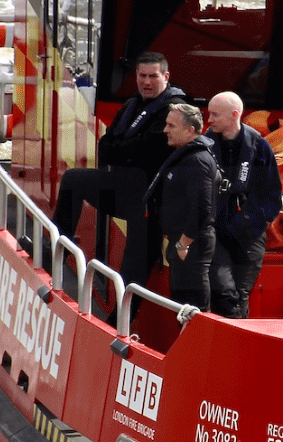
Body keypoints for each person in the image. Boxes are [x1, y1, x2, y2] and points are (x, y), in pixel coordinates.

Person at [51, 52, 185, 292]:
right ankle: (58, 248)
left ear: (166, 77)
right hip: (123, 186)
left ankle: (121, 314)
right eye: (142, 76)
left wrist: (122, 148)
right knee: (73, 179)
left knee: (135, 265)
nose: (146, 82)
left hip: (152, 198)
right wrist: (125, 149)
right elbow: (105, 147)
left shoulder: (174, 110)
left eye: (153, 76)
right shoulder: (131, 105)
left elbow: (149, 151)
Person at [205, 91, 282, 318]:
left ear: (234, 115)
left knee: (240, 293)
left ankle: (235, 335)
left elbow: (272, 193)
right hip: (215, 232)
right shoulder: (205, 146)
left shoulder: (259, 147)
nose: (209, 120)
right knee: (223, 290)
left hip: (249, 233)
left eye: (215, 115)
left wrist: (254, 221)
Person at [144, 103, 218, 310]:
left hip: (191, 246)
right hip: (182, 242)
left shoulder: (196, 161)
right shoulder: (186, 155)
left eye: (171, 126)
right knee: (182, 307)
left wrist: (183, 244)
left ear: (189, 130)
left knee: (191, 310)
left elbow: (203, 207)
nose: (165, 130)